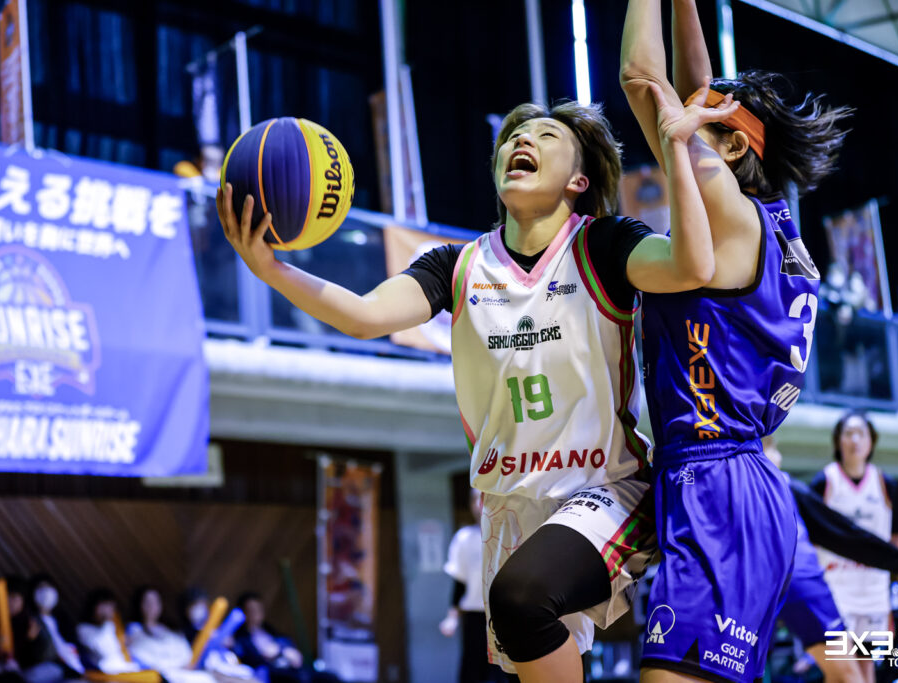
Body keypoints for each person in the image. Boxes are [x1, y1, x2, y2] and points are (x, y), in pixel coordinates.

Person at [218, 39, 735, 680]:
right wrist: (270, 269)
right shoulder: (456, 266)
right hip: (507, 505)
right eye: (514, 136)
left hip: (606, 488)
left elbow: (691, 265)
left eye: (545, 135)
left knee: (522, 596)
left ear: (578, 180)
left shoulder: (604, 245)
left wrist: (678, 146)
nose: (523, 140)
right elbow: (362, 316)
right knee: (523, 635)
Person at [620, 1, 852, 681]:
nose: (684, 123)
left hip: (718, 484)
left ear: (733, 148)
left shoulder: (723, 201)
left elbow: (641, 79)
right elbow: (696, 90)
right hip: (738, 483)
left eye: (703, 124)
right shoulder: (767, 224)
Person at [762, 438, 898, 683]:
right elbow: (847, 536)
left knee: (859, 670)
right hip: (819, 585)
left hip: (863, 591)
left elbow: (851, 536)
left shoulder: (882, 483)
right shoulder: (818, 481)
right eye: (772, 448)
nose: (780, 457)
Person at [811, 412, 898, 683]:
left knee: (866, 668)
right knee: (840, 668)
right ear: (838, 441)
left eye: (861, 433)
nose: (855, 440)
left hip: (873, 592)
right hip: (835, 590)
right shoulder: (824, 482)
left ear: (871, 442)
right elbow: (808, 539)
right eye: (848, 433)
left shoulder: (886, 485)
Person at [440, 490, 503, 683]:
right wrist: (452, 617)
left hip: (504, 616)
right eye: (475, 499)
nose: (479, 504)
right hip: (475, 616)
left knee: (502, 671)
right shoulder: (464, 538)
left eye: (484, 498)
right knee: (473, 670)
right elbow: (459, 582)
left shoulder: (508, 534)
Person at [232, 592, 337, 683]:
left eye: (258, 609)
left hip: (291, 666)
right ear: (243, 612)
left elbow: (285, 641)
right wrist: (273, 654)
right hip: (273, 671)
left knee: (330, 678)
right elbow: (249, 657)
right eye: (251, 610)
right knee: (301, 679)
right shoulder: (241, 637)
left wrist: (287, 650)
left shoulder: (268, 629)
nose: (256, 614)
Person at [125, 586, 215, 683]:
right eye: (148, 602)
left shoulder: (169, 628)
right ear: (140, 605)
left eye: (156, 602)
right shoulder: (134, 630)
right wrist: (173, 666)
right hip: (163, 675)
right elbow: (142, 657)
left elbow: (185, 652)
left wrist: (184, 664)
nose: (152, 606)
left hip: (183, 671)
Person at [21, 573, 84, 683]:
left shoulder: (61, 618)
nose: (46, 592)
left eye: (49, 587)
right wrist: (30, 639)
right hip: (47, 668)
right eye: (40, 588)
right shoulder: (30, 619)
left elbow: (74, 645)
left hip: (71, 666)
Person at [77, 588, 138, 674]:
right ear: (93, 606)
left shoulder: (111, 625)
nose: (108, 610)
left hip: (121, 667)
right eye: (104, 605)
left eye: (111, 607)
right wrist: (108, 621)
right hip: (102, 670)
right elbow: (102, 650)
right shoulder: (83, 629)